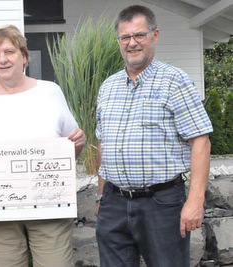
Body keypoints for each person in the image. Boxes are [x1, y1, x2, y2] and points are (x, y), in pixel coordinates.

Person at [95, 5, 213, 267]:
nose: (132, 43)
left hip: (162, 204)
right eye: (125, 37)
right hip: (114, 203)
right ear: (119, 41)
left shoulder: (175, 81)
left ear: (155, 35)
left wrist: (195, 200)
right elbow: (103, 143)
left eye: (139, 35)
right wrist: (101, 195)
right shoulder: (108, 87)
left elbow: (201, 142)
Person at [0, 25, 86, 267]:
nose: (2, 59)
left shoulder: (51, 92)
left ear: (24, 57)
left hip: (50, 208)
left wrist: (78, 143)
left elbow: (71, 149)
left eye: (9, 52)